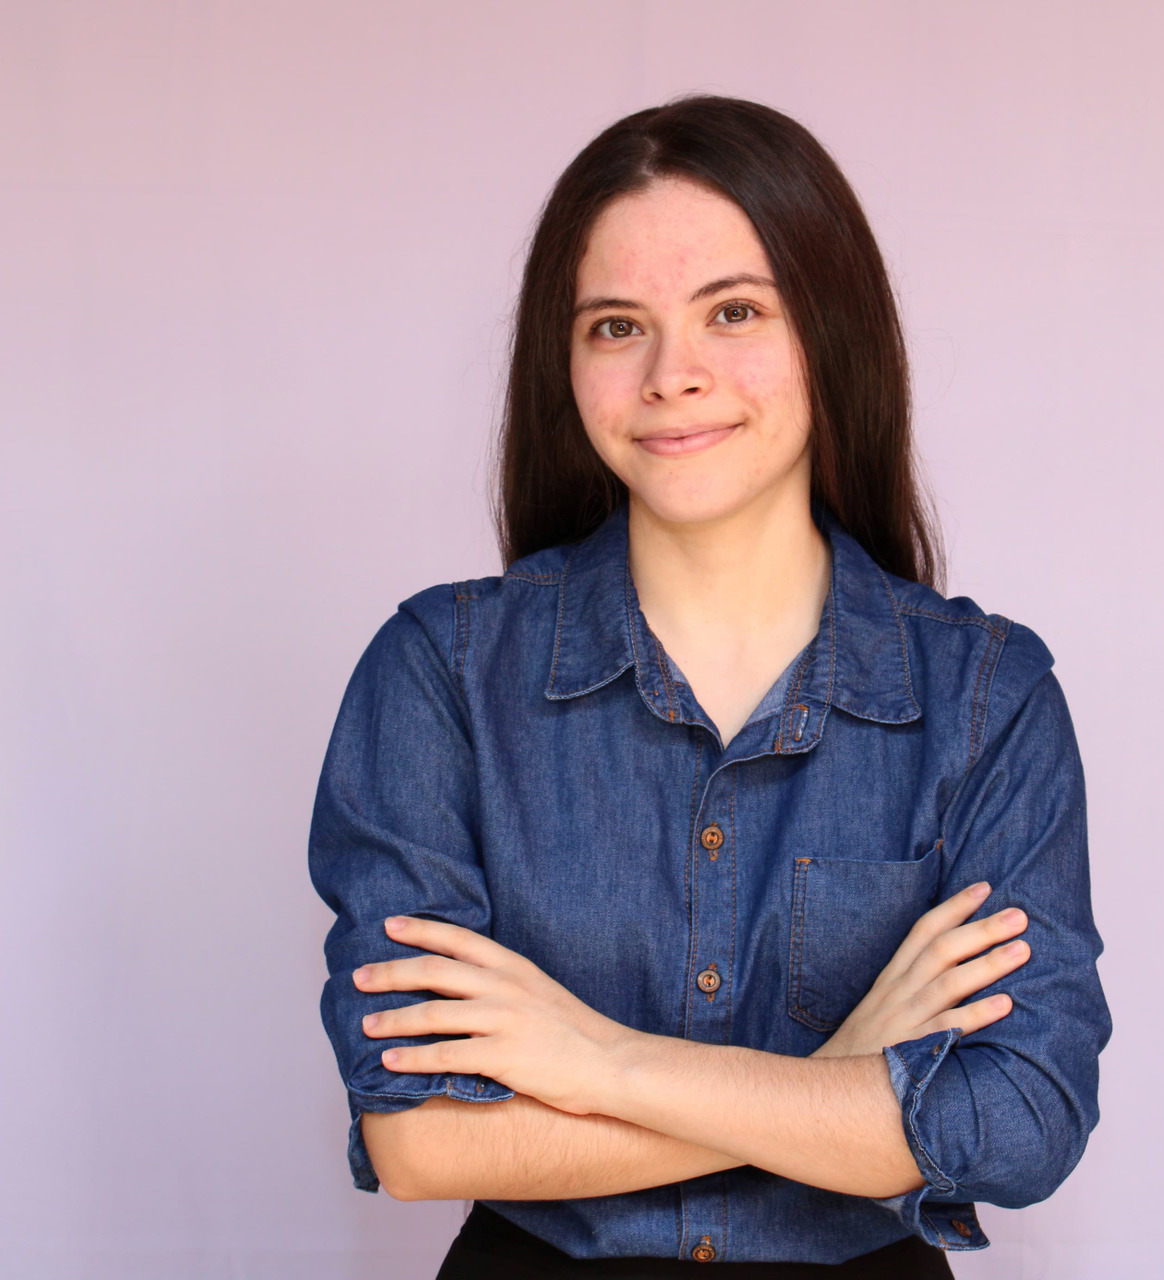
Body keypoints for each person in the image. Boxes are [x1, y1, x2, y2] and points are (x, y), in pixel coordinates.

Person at [309, 96, 1110, 1277]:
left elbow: (1020, 1122)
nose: (672, 374)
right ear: (565, 364)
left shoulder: (987, 697)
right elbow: (419, 1136)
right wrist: (834, 1081)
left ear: (829, 333)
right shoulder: (441, 673)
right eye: (616, 326)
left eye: (733, 311)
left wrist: (600, 1063)